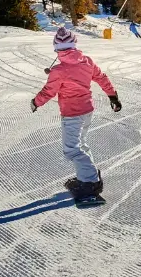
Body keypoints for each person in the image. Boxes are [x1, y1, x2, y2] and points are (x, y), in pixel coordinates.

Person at [31, 27, 122, 200]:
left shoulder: (59, 70)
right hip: (87, 111)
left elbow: (49, 91)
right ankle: (88, 176)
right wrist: (112, 96)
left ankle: (90, 184)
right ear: (74, 44)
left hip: (72, 114)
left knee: (71, 150)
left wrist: (36, 102)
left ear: (56, 48)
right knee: (81, 144)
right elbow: (101, 77)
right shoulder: (86, 61)